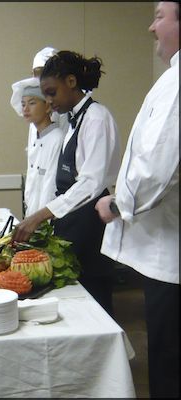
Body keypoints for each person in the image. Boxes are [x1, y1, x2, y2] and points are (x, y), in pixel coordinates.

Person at [95, 2, 179, 397]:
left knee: (168, 362)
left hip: (171, 257)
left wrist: (117, 204)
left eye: (160, 16)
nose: (151, 27)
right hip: (166, 250)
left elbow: (157, 163)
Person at [13, 51, 121, 316]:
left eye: (51, 93)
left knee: (94, 295)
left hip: (91, 218)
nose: (49, 101)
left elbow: (90, 184)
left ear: (71, 82)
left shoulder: (96, 118)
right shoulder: (74, 120)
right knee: (74, 295)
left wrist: (40, 215)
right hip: (71, 218)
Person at [10, 76, 64, 216]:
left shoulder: (57, 138)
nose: (26, 109)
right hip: (33, 215)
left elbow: (51, 186)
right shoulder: (35, 138)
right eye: (23, 104)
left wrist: (39, 221)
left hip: (46, 219)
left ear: (47, 106)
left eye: (32, 103)